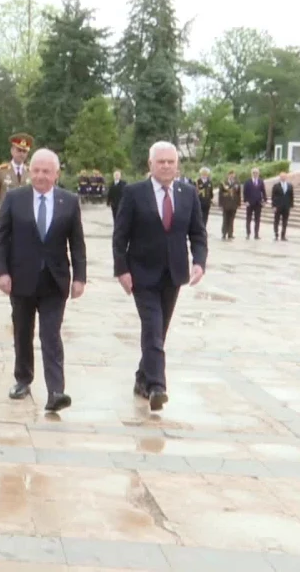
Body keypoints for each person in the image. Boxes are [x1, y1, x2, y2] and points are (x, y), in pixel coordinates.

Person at [112, 141, 207, 411]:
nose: (166, 166)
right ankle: (157, 386)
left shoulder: (188, 193)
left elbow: (197, 233)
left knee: (160, 330)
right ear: (150, 164)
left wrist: (199, 261)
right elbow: (120, 236)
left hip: (174, 273)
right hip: (141, 273)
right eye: (161, 162)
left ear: (177, 165)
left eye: (170, 162)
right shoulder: (133, 193)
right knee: (152, 327)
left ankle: (142, 377)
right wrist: (121, 269)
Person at [0, 149, 86, 412]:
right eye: (36, 170)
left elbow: (77, 244)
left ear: (56, 174)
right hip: (20, 278)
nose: (41, 176)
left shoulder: (69, 201)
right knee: (22, 332)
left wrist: (80, 277)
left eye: (46, 171)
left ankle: (56, 391)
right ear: (30, 171)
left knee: (51, 334)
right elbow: (1, 238)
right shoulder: (14, 198)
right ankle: (23, 379)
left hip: (54, 282)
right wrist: (2, 272)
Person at [0, 133, 33, 308]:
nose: (21, 154)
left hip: (25, 224)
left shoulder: (30, 172)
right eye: (19, 150)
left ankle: (16, 295)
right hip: (4, 223)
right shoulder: (1, 171)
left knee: (19, 258)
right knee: (2, 255)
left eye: (25, 152)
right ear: (12, 150)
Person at [242, 167, 266, 240]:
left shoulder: (261, 181)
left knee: (257, 219)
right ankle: (248, 233)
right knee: (248, 219)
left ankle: (256, 234)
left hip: (258, 203)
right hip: (250, 203)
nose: (255, 174)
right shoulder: (247, 182)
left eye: (257, 173)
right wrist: (245, 201)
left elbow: (263, 191)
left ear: (258, 174)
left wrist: (264, 200)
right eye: (254, 173)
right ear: (251, 173)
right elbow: (244, 192)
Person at [218, 170, 241, 240]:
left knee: (232, 219)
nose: (231, 176)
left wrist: (239, 203)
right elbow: (220, 194)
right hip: (226, 204)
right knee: (225, 219)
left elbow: (238, 194)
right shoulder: (224, 183)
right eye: (230, 175)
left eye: (233, 175)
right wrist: (220, 204)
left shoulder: (237, 183)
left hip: (233, 204)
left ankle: (230, 233)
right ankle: (224, 233)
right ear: (228, 175)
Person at [271, 171, 294, 241]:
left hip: (286, 206)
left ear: (286, 177)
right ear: (280, 177)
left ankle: (283, 235)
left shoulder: (290, 186)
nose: (283, 178)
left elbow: (291, 196)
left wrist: (291, 205)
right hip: (278, 206)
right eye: (282, 177)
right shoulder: (276, 186)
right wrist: (273, 206)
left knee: (285, 221)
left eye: (284, 176)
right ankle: (276, 234)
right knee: (276, 221)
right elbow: (273, 197)